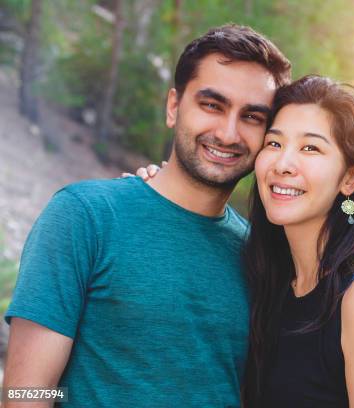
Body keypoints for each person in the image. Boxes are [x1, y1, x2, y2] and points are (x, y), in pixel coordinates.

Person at [2, 24, 291, 408]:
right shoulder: (84, 216)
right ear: (174, 107)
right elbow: (26, 392)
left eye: (252, 117)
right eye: (212, 105)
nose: (228, 133)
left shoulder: (259, 256)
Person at [137, 75, 354, 407]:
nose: (283, 164)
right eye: (274, 143)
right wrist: (154, 193)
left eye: (310, 148)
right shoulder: (267, 270)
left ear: (350, 177)